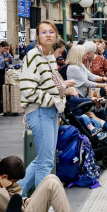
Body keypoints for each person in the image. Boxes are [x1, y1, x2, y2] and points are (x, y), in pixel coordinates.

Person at [18, 21, 76, 196]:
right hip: (41, 111)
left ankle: (16, 193)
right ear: (37, 36)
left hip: (50, 111)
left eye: (51, 32)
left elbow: (48, 84)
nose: (48, 35)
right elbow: (28, 89)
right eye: (44, 32)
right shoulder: (33, 56)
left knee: (43, 159)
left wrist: (62, 87)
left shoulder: (49, 57)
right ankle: (41, 203)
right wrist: (51, 99)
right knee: (45, 161)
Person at [0, 41, 12, 116]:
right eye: (5, 48)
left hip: (5, 72)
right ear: (0, 46)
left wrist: (8, 53)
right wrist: (3, 60)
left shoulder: (4, 54)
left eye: (7, 48)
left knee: (5, 91)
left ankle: (5, 108)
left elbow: (10, 60)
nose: (5, 50)